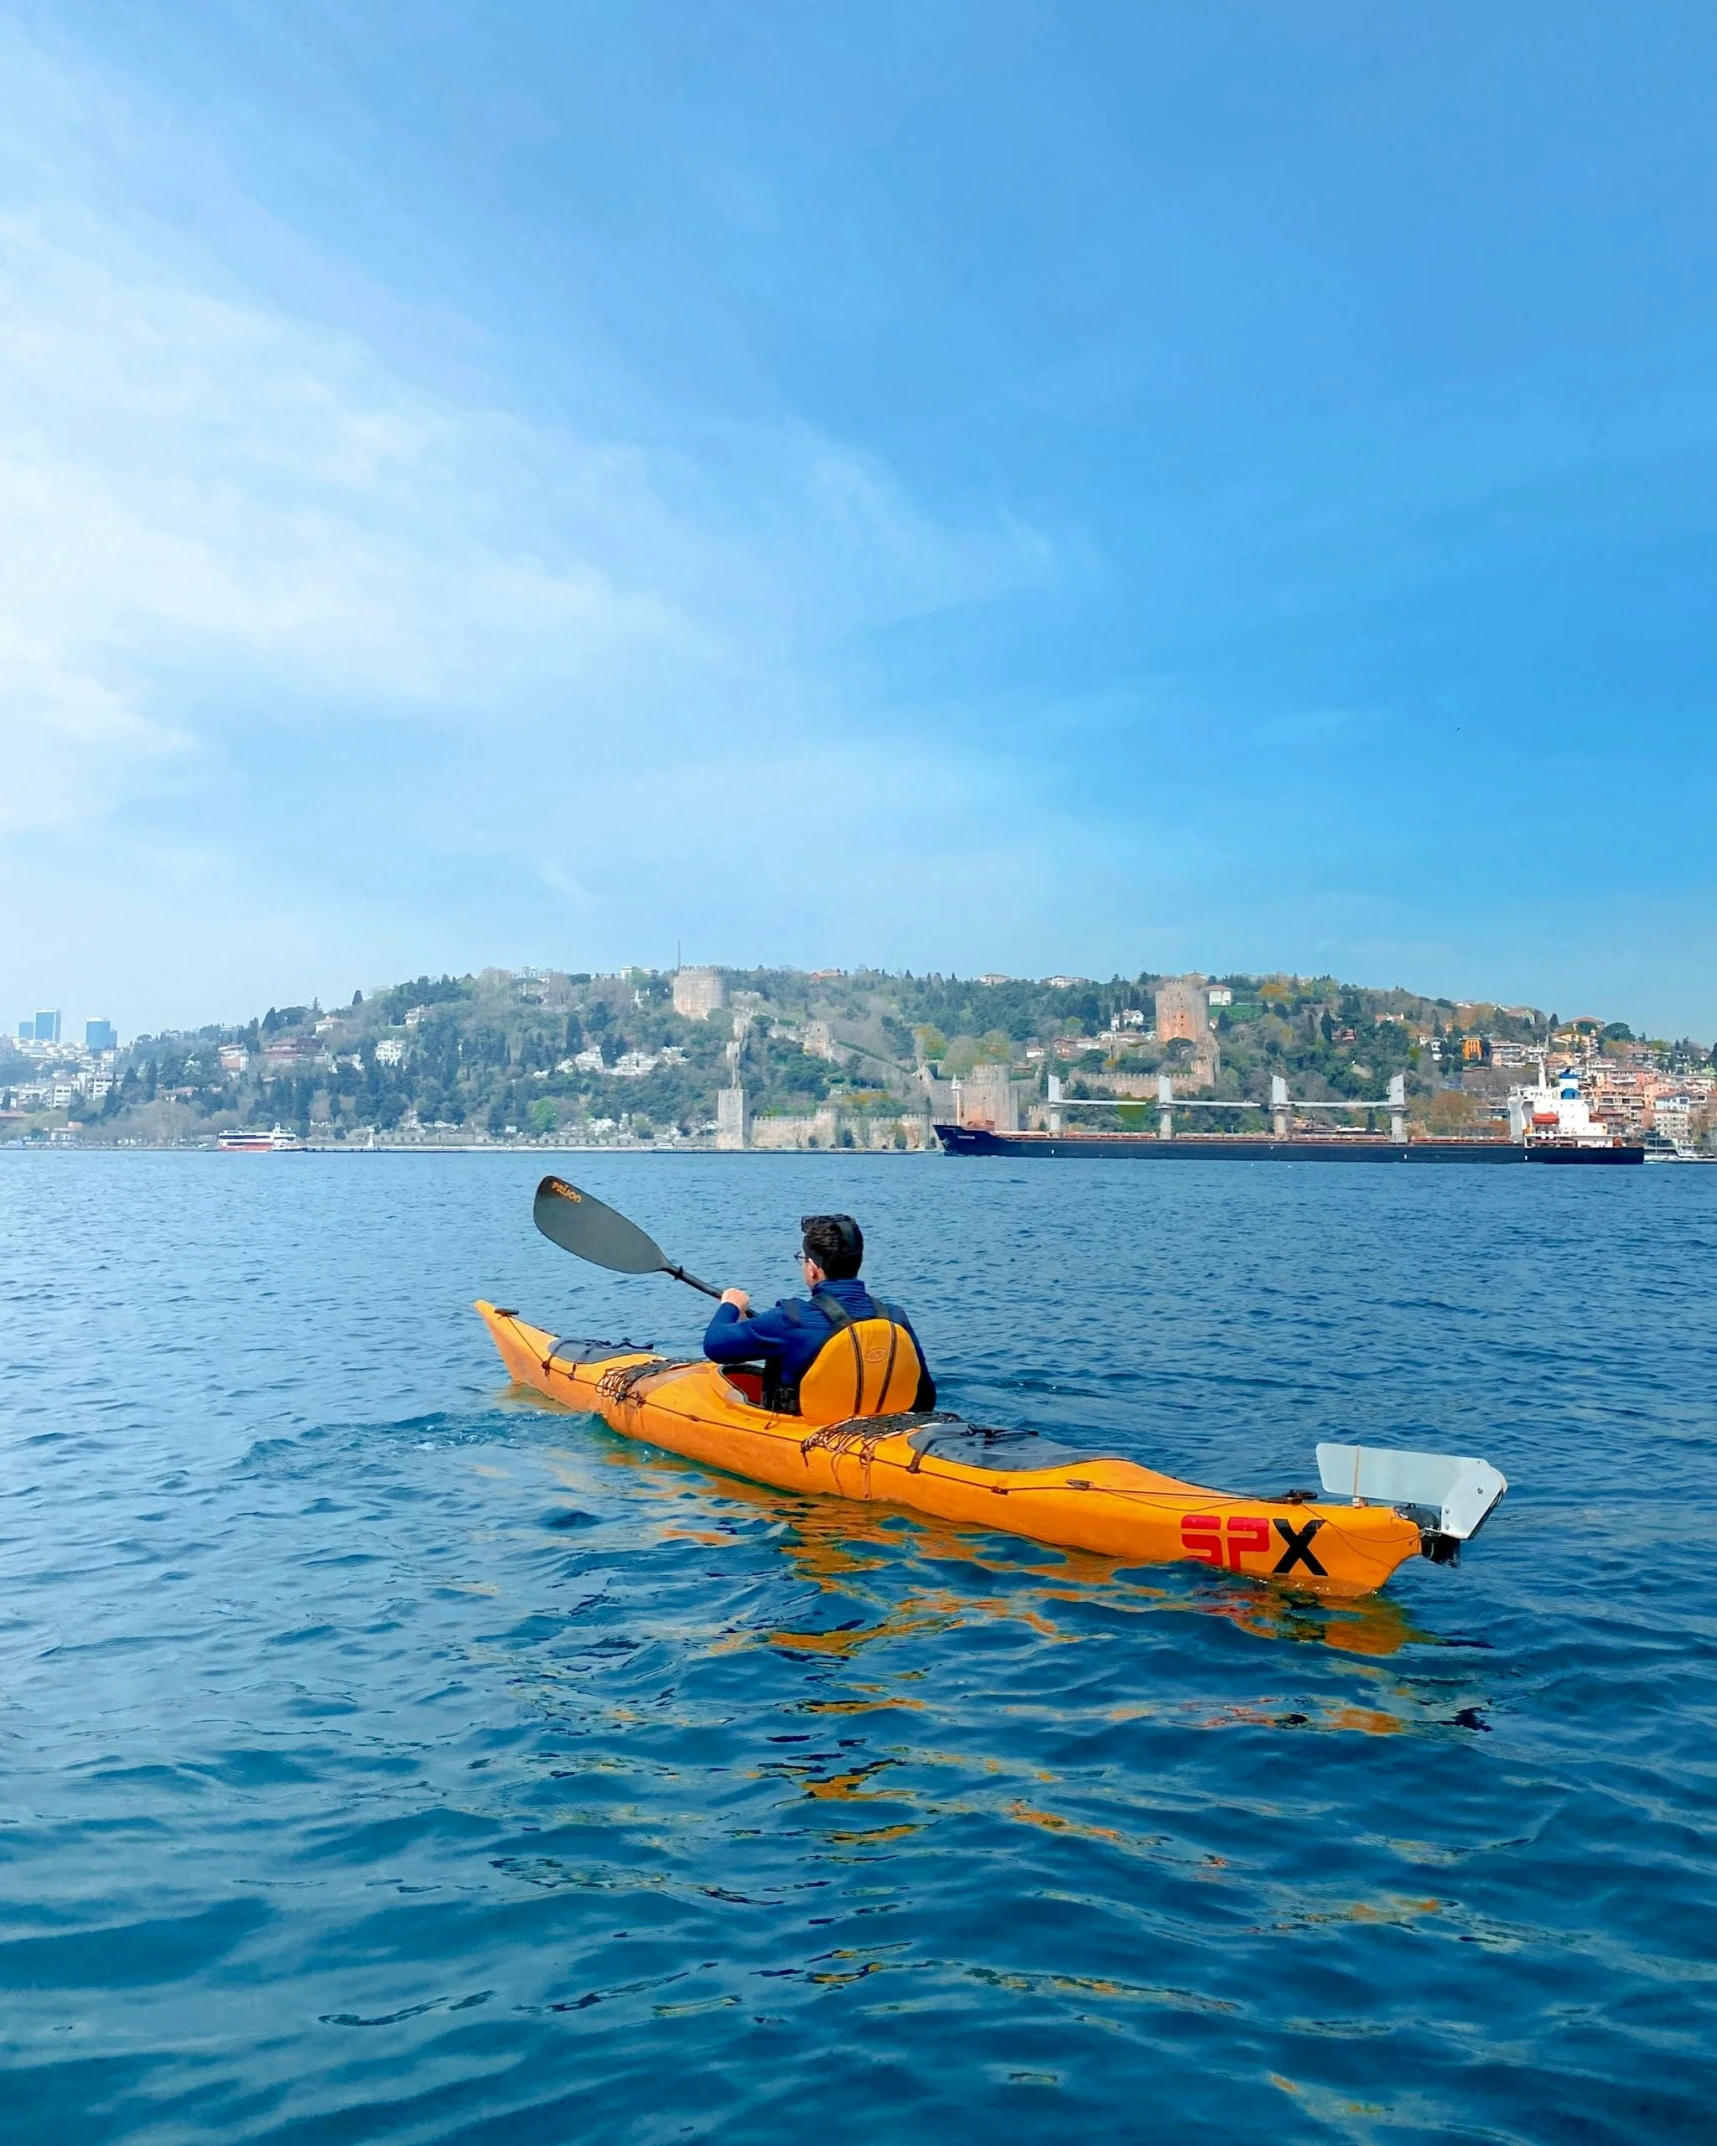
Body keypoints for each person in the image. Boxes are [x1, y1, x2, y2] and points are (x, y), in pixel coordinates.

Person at [702, 1212, 935, 1415]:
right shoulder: (894, 1316)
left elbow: (715, 1344)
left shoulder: (790, 1318)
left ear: (813, 1269)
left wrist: (730, 1305)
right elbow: (925, 1397)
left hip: (807, 1432)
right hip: (883, 1430)